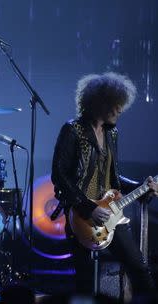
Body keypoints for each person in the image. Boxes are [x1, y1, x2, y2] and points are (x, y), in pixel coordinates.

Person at [51, 72, 158, 295]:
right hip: (81, 215)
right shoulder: (72, 130)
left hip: (110, 212)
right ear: (99, 103)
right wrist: (89, 208)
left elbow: (114, 180)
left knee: (138, 266)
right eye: (115, 104)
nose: (120, 110)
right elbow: (59, 175)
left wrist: (142, 185)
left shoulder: (112, 133)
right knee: (85, 280)